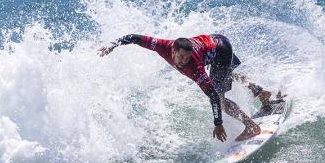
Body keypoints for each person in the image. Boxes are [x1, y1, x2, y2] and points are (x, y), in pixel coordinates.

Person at [98, 34, 272, 142]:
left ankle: (251, 127)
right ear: (172, 50)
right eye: (181, 57)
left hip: (221, 49)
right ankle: (259, 91)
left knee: (220, 98)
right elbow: (135, 38)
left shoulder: (194, 67)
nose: (183, 61)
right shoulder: (162, 45)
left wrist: (217, 123)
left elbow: (212, 96)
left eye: (187, 58)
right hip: (216, 40)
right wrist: (113, 44)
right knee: (226, 72)